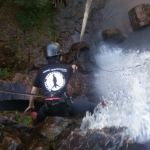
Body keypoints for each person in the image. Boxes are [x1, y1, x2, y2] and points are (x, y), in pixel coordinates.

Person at [24, 42, 96, 126]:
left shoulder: (41, 70)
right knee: (91, 107)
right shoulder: (67, 68)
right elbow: (74, 68)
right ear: (59, 56)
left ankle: (35, 120)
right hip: (65, 108)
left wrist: (31, 105)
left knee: (38, 119)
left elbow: (33, 90)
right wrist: (74, 66)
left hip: (49, 109)